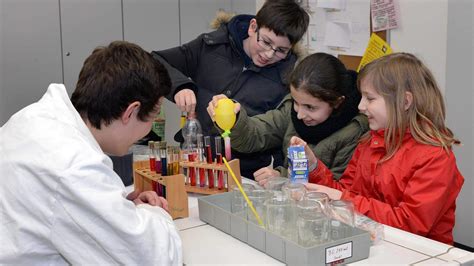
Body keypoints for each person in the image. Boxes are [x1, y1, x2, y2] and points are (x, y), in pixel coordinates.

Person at [0, 41, 182, 264]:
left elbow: (65, 207)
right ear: (131, 111)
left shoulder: (36, 118)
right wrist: (155, 212)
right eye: (153, 118)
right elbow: (154, 256)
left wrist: (123, 207)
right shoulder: (75, 165)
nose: (150, 129)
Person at [292, 53, 464, 244]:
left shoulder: (435, 157)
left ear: (404, 102)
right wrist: (315, 167)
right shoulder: (369, 142)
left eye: (370, 98)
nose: (360, 106)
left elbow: (411, 224)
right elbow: (347, 193)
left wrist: (342, 198)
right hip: (375, 245)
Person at [152, 0, 310, 178]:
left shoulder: (288, 76)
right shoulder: (212, 45)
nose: (269, 54)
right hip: (194, 162)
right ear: (253, 27)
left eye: (281, 50)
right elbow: (155, 61)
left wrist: (280, 174)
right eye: (266, 42)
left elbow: (282, 131)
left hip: (246, 175)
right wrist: (181, 86)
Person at [207, 53, 369, 183]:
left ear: (337, 102)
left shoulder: (355, 133)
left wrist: (282, 178)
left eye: (310, 107)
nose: (299, 114)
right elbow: (253, 135)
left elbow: (337, 188)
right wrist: (233, 118)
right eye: (296, 103)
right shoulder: (290, 111)